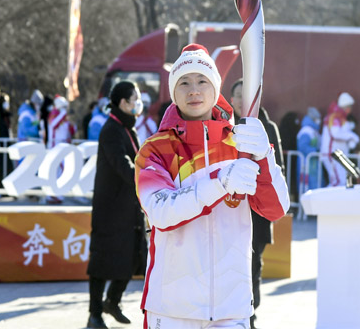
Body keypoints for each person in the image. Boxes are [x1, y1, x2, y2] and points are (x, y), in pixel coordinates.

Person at [136, 44, 289, 329]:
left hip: (231, 309)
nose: (194, 90)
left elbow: (276, 208)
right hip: (172, 310)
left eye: (202, 81)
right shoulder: (155, 150)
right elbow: (160, 212)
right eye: (184, 82)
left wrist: (265, 157)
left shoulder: (240, 144)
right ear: (173, 92)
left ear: (215, 87)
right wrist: (220, 182)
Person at [86, 81, 147, 329]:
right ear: (123, 103)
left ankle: (112, 301)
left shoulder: (128, 129)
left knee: (133, 257)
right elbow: (123, 164)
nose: (139, 103)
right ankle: (94, 314)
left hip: (129, 208)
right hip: (110, 210)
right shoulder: (111, 130)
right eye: (136, 98)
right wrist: (145, 177)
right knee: (102, 263)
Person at [230, 78, 285, 329]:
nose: (242, 100)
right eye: (238, 95)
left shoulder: (268, 126)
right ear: (231, 99)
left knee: (254, 264)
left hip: (259, 212)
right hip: (233, 209)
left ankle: (251, 314)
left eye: (247, 94)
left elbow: (277, 168)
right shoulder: (224, 125)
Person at [320, 92, 359, 187]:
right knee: (338, 182)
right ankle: (326, 201)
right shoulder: (334, 117)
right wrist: (352, 136)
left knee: (339, 181)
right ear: (345, 106)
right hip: (332, 155)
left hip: (337, 156)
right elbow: (335, 133)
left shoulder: (339, 117)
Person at [45, 95, 76, 205]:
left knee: (61, 171)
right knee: (54, 171)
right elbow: (53, 125)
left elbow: (70, 131)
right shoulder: (54, 114)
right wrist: (63, 114)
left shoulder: (64, 117)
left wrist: (72, 124)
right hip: (54, 146)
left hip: (63, 147)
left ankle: (58, 194)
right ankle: (51, 195)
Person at [297, 107, 322, 191]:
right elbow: (303, 147)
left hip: (312, 163)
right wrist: (316, 151)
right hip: (305, 163)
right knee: (306, 185)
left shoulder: (313, 130)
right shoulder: (306, 131)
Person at [0, 92, 14, 188]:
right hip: (1, 144)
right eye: (5, 102)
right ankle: (1, 187)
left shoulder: (7, 115)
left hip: (7, 144)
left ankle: (8, 188)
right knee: (2, 166)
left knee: (9, 166)